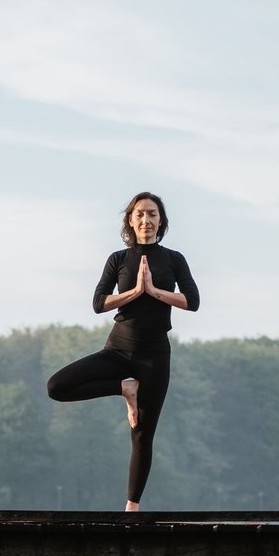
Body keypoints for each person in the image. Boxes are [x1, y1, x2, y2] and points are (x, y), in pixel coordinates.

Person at [46, 192, 200, 511]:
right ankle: (123, 388)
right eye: (140, 214)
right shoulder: (118, 259)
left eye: (153, 214)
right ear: (130, 220)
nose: (146, 220)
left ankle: (132, 508)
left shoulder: (174, 259)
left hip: (155, 356)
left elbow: (193, 301)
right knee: (57, 387)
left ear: (161, 220)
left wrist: (155, 292)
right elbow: (98, 303)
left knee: (142, 434)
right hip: (118, 349)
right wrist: (133, 293)